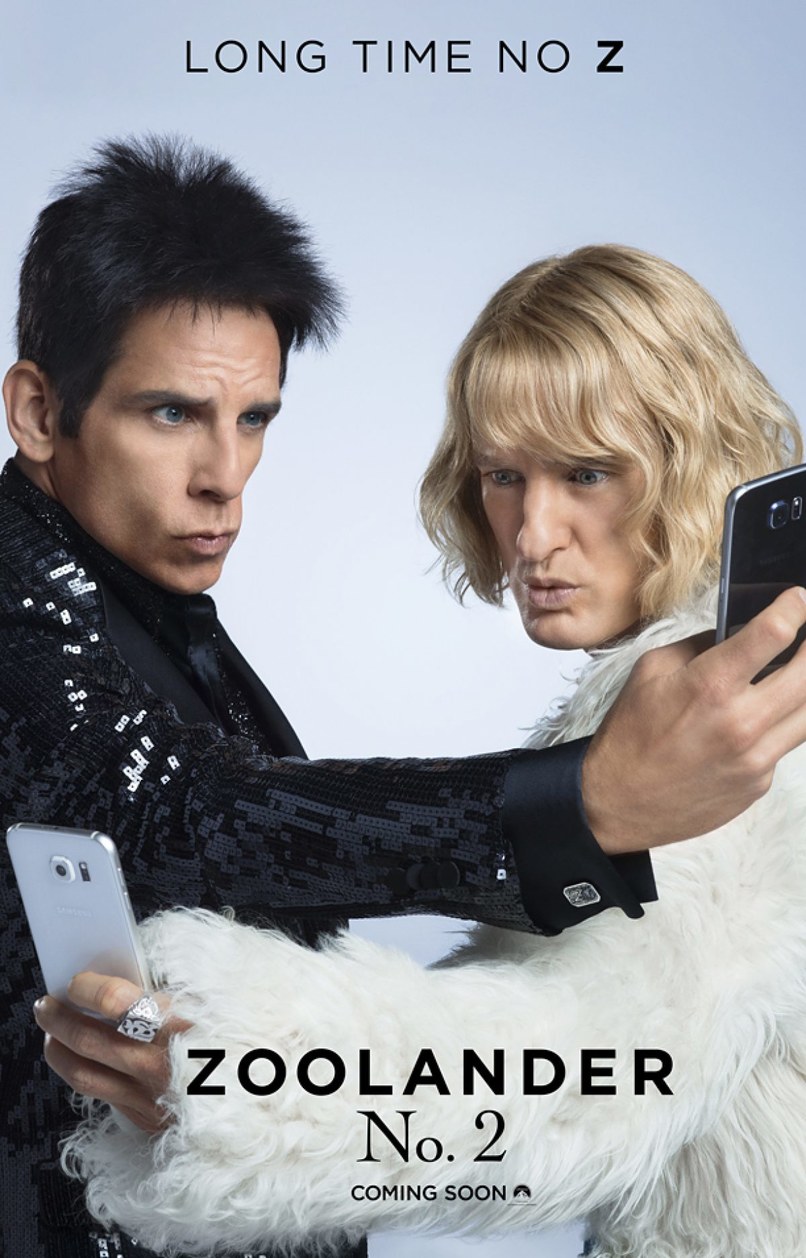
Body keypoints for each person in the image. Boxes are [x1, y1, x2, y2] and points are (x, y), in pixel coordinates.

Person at [5, 140, 804, 1255]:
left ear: (691, 455)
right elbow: (183, 806)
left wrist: (236, 1076)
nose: (531, 534)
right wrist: (577, 803)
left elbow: (593, 1084)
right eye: (502, 474)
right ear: (39, 412)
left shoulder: (725, 712)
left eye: (585, 472)